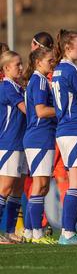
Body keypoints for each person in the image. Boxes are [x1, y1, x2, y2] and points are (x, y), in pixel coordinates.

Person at [51, 30, 77, 245]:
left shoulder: (57, 70)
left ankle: (68, 231)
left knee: (74, 181)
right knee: (76, 183)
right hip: (75, 128)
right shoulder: (71, 70)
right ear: (68, 48)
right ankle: (68, 232)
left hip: (64, 130)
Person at [23, 47, 57, 244]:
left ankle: (29, 231)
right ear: (38, 62)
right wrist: (63, 109)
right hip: (39, 137)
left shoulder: (41, 81)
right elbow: (41, 111)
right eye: (49, 60)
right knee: (40, 184)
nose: (52, 63)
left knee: (42, 186)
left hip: (41, 136)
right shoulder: (40, 82)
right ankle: (37, 233)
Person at [0, 51, 27, 244]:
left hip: (21, 142)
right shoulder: (7, 87)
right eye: (17, 64)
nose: (21, 67)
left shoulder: (18, 87)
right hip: (9, 143)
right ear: (6, 68)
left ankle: (10, 231)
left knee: (17, 189)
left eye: (21, 63)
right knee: (5, 188)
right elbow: (28, 109)